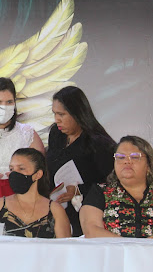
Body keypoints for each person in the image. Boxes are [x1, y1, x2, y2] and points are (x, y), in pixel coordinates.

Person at [46, 86, 116, 236]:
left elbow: (110, 184)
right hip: (57, 209)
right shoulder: (56, 134)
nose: (57, 119)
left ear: (77, 114)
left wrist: (78, 190)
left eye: (61, 114)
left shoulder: (98, 144)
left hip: (86, 214)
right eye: (54, 114)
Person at [0, 148, 71, 238]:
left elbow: (64, 245)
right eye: (11, 169)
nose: (15, 173)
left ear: (38, 174)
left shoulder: (55, 210)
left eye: (21, 168)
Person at [80, 135, 153, 238]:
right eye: (120, 157)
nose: (127, 161)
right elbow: (91, 229)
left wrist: (145, 245)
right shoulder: (100, 192)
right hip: (112, 248)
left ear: (149, 165)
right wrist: (127, 246)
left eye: (135, 157)